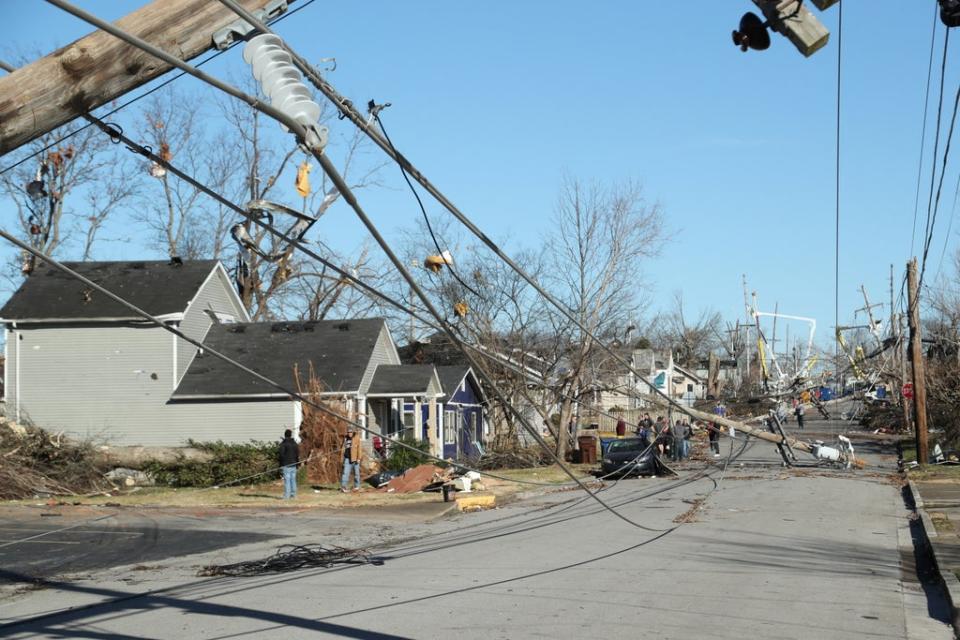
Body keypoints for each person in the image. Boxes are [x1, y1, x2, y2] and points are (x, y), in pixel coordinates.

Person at [340, 427, 363, 492]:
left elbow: (359, 449)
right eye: (348, 432)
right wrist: (342, 457)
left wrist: (359, 458)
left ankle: (357, 487)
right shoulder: (345, 438)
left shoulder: (356, 438)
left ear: (353, 432)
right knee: (345, 473)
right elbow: (343, 448)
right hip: (347, 458)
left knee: (356, 474)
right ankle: (343, 487)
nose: (349, 433)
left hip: (355, 458)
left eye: (350, 432)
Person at [279, 428, 299, 500]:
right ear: (291, 435)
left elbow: (281, 455)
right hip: (294, 464)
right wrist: (297, 464)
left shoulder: (283, 444)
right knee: (293, 480)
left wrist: (281, 465)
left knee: (287, 480)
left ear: (285, 435)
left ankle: (286, 496)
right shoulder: (295, 444)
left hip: (286, 465)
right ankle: (293, 495)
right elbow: (297, 454)